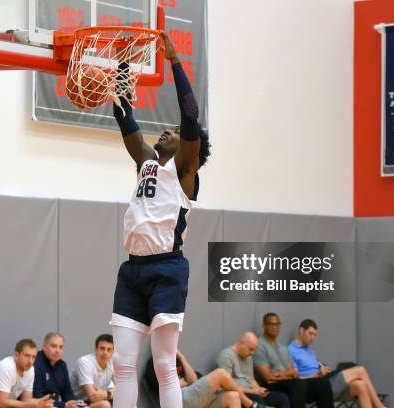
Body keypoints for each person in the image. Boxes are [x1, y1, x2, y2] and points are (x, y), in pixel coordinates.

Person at [109, 32, 211, 408]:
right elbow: (123, 113)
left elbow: (190, 115)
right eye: (164, 130)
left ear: (189, 148)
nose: (164, 131)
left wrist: (174, 61)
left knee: (166, 364)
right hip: (133, 270)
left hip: (167, 269)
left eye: (172, 132)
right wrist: (122, 65)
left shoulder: (185, 170)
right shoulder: (146, 162)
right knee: (121, 362)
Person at [288, 319, 387, 408]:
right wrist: (316, 375)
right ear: (301, 330)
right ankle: (379, 406)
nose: (313, 338)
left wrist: (323, 369)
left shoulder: (309, 351)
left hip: (325, 380)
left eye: (315, 335)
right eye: (310, 333)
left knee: (360, 385)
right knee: (360, 370)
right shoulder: (290, 350)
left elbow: (315, 368)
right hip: (317, 387)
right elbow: (294, 381)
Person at [254, 313, 333, 408]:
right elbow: (268, 377)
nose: (275, 327)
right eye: (271, 324)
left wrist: (282, 374)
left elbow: (295, 373)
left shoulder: (283, 348)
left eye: (277, 324)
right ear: (264, 325)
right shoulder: (259, 345)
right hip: (273, 386)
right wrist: (288, 373)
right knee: (298, 384)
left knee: (322, 383)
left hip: (290, 383)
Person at [144, 349, 259, 408]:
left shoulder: (177, 359)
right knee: (221, 374)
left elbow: (193, 380)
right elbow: (163, 390)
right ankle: (251, 405)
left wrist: (182, 358)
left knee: (232, 396)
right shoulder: (154, 363)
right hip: (178, 399)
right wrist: (178, 383)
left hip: (193, 397)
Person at [0, 338, 54, 408]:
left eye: (33, 357)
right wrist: (33, 405)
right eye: (27, 356)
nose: (30, 361)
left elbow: (26, 400)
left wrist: (39, 403)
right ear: (16, 355)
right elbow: (2, 403)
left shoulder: (30, 370)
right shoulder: (6, 367)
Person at [216, 332, 290, 408]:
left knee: (282, 398)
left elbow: (251, 379)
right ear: (242, 343)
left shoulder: (248, 357)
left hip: (252, 392)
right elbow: (227, 385)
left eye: (254, 350)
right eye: (250, 349)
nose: (252, 353)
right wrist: (251, 391)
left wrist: (258, 389)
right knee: (257, 399)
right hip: (239, 394)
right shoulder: (226, 356)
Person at [34, 332, 83, 408]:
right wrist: (64, 405)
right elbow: (37, 396)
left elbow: (67, 392)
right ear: (44, 346)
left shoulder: (62, 365)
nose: (57, 350)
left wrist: (74, 403)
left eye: (61, 347)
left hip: (56, 405)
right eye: (53, 346)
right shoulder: (36, 363)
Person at [71, 334, 115, 408]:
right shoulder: (84, 362)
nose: (105, 352)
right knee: (105, 405)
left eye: (109, 349)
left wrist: (103, 393)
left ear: (113, 351)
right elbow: (92, 397)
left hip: (98, 400)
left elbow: (124, 391)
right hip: (76, 402)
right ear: (96, 349)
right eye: (102, 348)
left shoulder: (113, 364)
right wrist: (111, 393)